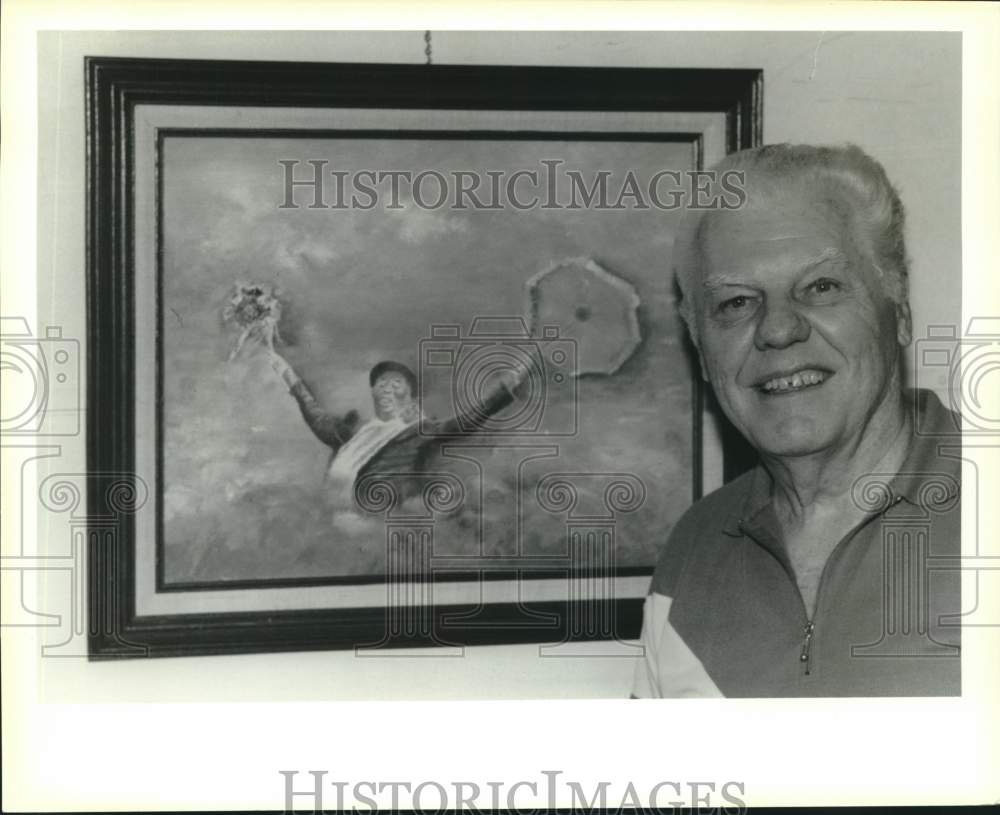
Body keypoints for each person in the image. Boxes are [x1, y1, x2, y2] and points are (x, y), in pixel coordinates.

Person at [632, 143, 962, 698]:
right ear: (701, 346)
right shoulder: (694, 547)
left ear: (899, 310)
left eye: (821, 287)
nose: (778, 330)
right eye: (736, 302)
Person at [269, 349, 527, 505]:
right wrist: (284, 370)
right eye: (380, 384)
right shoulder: (353, 430)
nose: (386, 389)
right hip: (330, 518)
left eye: (395, 384)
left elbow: (464, 422)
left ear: (410, 396)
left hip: (376, 522)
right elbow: (314, 415)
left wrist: (507, 387)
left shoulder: (418, 431)